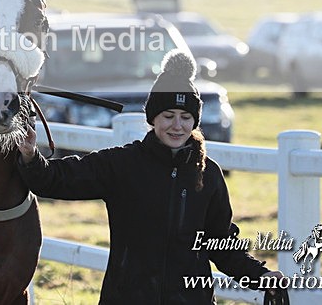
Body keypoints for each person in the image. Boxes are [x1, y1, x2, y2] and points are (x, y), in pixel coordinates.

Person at [17, 49, 286, 304]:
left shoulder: (208, 174)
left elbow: (221, 244)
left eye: (185, 117)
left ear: (195, 121)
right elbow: (58, 178)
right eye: (168, 116)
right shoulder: (122, 164)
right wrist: (30, 156)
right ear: (153, 118)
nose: (177, 126)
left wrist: (261, 276)